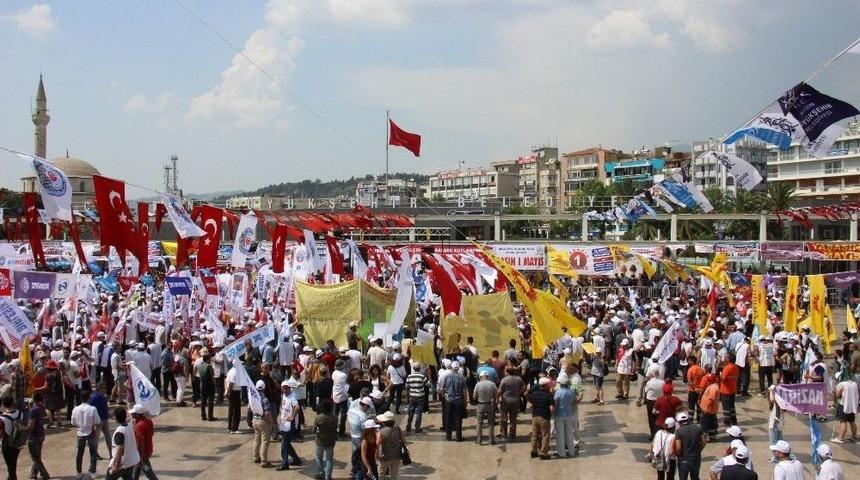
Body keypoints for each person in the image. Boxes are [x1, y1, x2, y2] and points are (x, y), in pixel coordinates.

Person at [71, 389, 100, 480]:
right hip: (90, 432)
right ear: (89, 398)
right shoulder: (92, 409)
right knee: (93, 452)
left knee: (80, 453)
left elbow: (73, 422)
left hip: (80, 432)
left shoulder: (75, 409)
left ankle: (79, 472)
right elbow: (97, 421)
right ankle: (93, 472)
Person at [107, 407, 140, 480]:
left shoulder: (120, 432)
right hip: (130, 461)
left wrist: (116, 465)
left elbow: (120, 448)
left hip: (122, 463)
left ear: (116, 418)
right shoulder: (129, 427)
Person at [276, 378, 302, 471]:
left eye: (287, 388)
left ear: (290, 388)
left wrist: (292, 417)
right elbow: (282, 405)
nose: (285, 389)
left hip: (289, 425)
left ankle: (284, 464)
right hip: (283, 423)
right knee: (286, 443)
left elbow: (297, 407)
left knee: (284, 444)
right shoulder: (283, 395)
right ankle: (296, 459)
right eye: (284, 388)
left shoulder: (292, 397)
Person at [673, 412, 705, 480]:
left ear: (679, 422)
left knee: (683, 478)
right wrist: (699, 450)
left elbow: (678, 448)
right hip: (696, 458)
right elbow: (704, 442)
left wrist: (677, 455)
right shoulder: (697, 428)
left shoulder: (678, 431)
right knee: (695, 477)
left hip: (684, 459)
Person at [440, 361, 467, 442]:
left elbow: (442, 389)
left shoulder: (446, 376)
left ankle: (448, 436)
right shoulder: (461, 378)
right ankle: (458, 437)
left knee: (448, 418)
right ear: (458, 368)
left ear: (451, 368)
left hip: (448, 400)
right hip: (458, 401)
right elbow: (464, 391)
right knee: (458, 418)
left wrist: (443, 397)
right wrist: (465, 401)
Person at [497, 366, 526, 441]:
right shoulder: (518, 379)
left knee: (504, 418)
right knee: (513, 418)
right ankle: (512, 434)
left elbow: (500, 391)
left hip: (505, 401)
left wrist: (497, 399)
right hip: (515, 400)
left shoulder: (504, 379)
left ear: (507, 371)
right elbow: (524, 387)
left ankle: (504, 435)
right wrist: (519, 393)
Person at [1, 396, 26, 480]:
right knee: (13, 465)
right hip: (17, 442)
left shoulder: (2, 418)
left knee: (10, 467)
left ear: (3, 405)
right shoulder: (20, 413)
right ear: (13, 403)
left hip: (7, 443)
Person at [26, 391, 50, 480]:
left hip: (34, 437)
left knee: (35, 458)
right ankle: (33, 474)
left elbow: (31, 425)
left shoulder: (33, 410)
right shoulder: (41, 407)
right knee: (37, 456)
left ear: (33, 398)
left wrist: (25, 432)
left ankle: (44, 474)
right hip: (41, 434)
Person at [554, 372, 578, 457]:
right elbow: (574, 402)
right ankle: (571, 452)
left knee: (560, 434)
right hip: (569, 414)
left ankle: (562, 453)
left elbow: (555, 404)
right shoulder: (571, 392)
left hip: (559, 415)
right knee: (570, 433)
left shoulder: (558, 392)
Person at [529, 377, 554, 460]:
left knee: (534, 434)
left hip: (535, 416)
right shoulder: (549, 395)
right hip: (544, 417)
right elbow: (551, 409)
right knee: (545, 435)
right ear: (546, 385)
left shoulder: (534, 394)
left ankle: (533, 450)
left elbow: (532, 405)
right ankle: (543, 452)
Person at [130, 404, 157, 480]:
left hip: (142, 453)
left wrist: (139, 456)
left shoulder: (139, 426)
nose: (132, 414)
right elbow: (152, 433)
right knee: (137, 470)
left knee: (148, 471)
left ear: (137, 415)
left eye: (133, 413)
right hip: (148, 450)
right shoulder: (148, 421)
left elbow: (140, 442)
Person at [251, 380, 274, 468]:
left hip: (255, 420)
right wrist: (273, 423)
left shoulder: (253, 397)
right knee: (265, 442)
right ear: (264, 388)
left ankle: (256, 457)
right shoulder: (265, 399)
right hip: (263, 422)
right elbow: (267, 414)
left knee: (257, 439)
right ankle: (264, 461)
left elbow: (250, 408)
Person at [376, 411, 405, 480]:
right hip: (396, 456)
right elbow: (404, 440)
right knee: (394, 475)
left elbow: (377, 445)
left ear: (384, 422)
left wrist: (376, 455)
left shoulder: (381, 432)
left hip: (384, 457)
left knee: (380, 475)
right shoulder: (398, 429)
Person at [313, 398, 337, 480]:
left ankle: (321, 474)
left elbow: (314, 430)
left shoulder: (318, 418)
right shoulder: (335, 417)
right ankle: (328, 477)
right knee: (329, 459)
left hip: (320, 441)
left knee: (319, 458)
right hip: (331, 441)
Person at [832, 368, 858, 443]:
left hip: (843, 405)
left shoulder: (842, 384)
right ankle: (854, 436)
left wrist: (838, 394)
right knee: (852, 421)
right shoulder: (854, 383)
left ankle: (840, 438)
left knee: (843, 422)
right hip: (852, 405)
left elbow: (838, 395)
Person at [473, 370, 497, 445]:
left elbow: (474, 396)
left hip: (480, 405)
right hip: (490, 404)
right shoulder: (492, 384)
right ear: (487, 377)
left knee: (479, 423)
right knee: (490, 423)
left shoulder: (478, 384)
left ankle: (479, 441)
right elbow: (496, 394)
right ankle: (491, 441)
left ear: (480, 377)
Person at [405, 363, 429, 433]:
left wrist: (408, 398)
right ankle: (417, 428)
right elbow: (428, 385)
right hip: (420, 397)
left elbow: (407, 387)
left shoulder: (409, 377)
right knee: (419, 413)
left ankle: (408, 426)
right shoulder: (422, 376)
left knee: (411, 412)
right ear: (419, 369)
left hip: (412, 397)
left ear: (413, 368)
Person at [91, 382, 113, 459]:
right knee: (96, 439)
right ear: (99, 389)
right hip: (98, 421)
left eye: (105, 388)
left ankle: (111, 454)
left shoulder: (104, 397)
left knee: (109, 438)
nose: (104, 390)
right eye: (103, 388)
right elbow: (91, 410)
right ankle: (95, 454)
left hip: (105, 420)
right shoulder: (95, 398)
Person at [719, 353, 740, 427]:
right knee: (732, 406)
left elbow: (723, 379)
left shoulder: (727, 368)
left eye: (726, 357)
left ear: (729, 359)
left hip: (725, 390)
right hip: (732, 389)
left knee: (726, 407)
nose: (725, 358)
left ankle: (726, 421)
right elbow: (737, 376)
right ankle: (733, 421)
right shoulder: (736, 367)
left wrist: (720, 375)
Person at [197, 349, 216, 422]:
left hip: (202, 384)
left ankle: (203, 416)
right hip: (209, 385)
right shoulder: (209, 367)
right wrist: (214, 385)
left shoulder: (200, 366)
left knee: (203, 401)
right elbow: (212, 377)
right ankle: (210, 416)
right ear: (208, 360)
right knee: (210, 401)